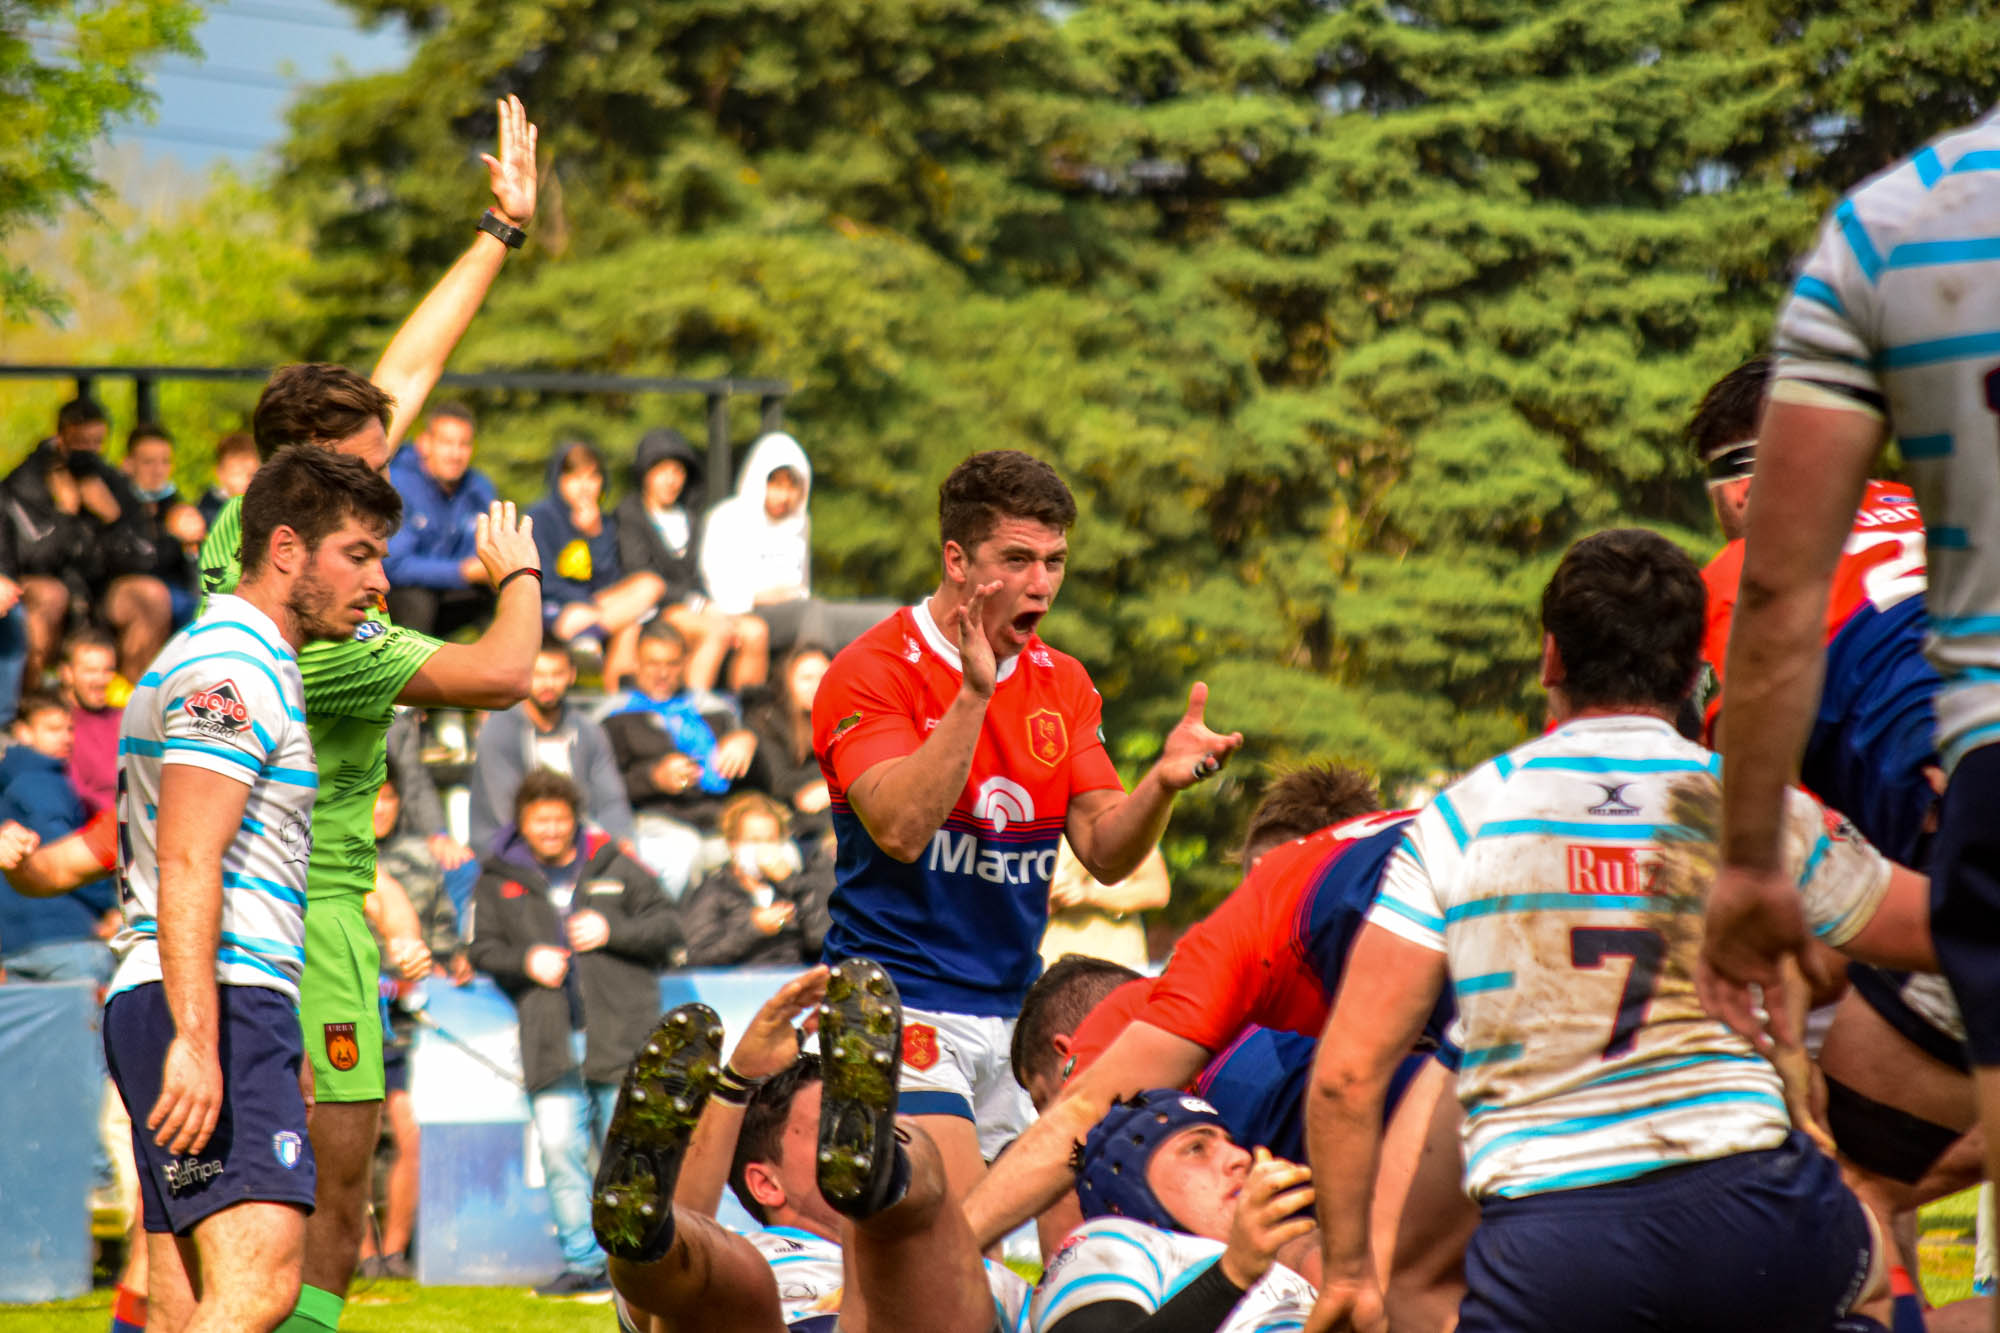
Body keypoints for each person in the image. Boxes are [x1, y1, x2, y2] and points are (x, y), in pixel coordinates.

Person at [1302, 528, 1944, 1333]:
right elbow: (1935, 929)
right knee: (1868, 1269)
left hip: (1555, 1245)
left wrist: (1352, 1268)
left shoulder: (1461, 821)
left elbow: (1345, 1077)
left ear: (1550, 659)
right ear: (1689, 672)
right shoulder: (1753, 807)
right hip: (1752, 1210)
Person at [194, 95, 545, 1333]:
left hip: (243, 908)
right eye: (366, 465)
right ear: (312, 475)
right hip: (309, 914)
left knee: (206, 1214)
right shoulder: (322, 628)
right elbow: (506, 675)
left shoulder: (256, 537)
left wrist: (497, 235)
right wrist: (520, 573)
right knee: (321, 1202)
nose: (386, 484)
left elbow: (399, 377)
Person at [1697, 108, 2000, 1223]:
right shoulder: (1924, 504)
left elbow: (1697, 777)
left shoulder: (1734, 571)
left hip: (1963, 786)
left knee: (1849, 1164)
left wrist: (1751, 880)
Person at [813, 449, 1242, 1198]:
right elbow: (901, 830)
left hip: (1015, 1008)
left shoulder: (1063, 680)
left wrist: (1162, 785)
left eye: (1054, 561)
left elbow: (1107, 850)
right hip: (895, 995)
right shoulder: (871, 667)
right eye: (1016, 559)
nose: (1040, 583)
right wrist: (974, 695)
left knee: (1074, 1231)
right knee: (939, 1217)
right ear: (956, 558)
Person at [101, 445, 402, 1333]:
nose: (379, 579)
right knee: (263, 1284)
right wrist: (201, 1037)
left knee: (184, 1298)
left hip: (220, 996)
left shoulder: (241, 658)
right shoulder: (234, 667)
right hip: (207, 1001)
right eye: (358, 553)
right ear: (285, 548)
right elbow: (190, 859)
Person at [594, 962, 1031, 1333]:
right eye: (838, 1126)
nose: (851, 1137)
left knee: (898, 1246)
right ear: (766, 1184)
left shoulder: (945, 1263)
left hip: (884, 1312)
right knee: (709, 1271)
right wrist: (737, 1080)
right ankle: (647, 1238)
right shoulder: (745, 1252)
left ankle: (886, 1181)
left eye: (864, 1126)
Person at [463, 769, 680, 1299]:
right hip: (550, 1039)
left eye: (560, 819)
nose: (552, 829)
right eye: (541, 821)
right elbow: (480, 950)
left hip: (621, 1033)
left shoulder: (618, 865)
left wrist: (613, 932)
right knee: (560, 1151)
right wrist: (526, 960)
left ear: (574, 819)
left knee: (626, 1155)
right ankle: (584, 1265)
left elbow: (670, 930)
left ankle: (635, 1266)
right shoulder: (496, 879)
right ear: (522, 823)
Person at [1032, 1089, 1319, 1333]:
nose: (1241, 1157)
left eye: (1229, 1142)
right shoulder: (1108, 1242)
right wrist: (1233, 1273)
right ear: (1127, 1195)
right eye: (1196, 1148)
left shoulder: (1287, 1263)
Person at [5, 397, 174, 682]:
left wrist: (111, 519)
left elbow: (143, 557)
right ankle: (34, 703)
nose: (89, 451)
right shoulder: (26, 483)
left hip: (99, 591)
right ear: (62, 436)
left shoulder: (110, 480)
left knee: (151, 595)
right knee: (51, 596)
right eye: (81, 441)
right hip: (47, 586)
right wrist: (65, 515)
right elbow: (33, 558)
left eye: (97, 442)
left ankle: (132, 705)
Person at [699, 431, 893, 654]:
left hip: (801, 608)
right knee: (813, 614)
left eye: (792, 487)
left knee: (888, 615)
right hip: (747, 614)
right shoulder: (727, 517)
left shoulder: (799, 523)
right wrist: (762, 596)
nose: (784, 496)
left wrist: (792, 595)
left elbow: (801, 586)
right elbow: (717, 585)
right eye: (777, 485)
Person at [603, 621, 758, 888]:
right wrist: (653, 778)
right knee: (686, 851)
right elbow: (602, 787)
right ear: (637, 663)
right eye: (652, 663)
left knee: (770, 852)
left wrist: (747, 740)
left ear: (686, 663)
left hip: (718, 819)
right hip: (650, 820)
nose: (662, 673)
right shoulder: (616, 715)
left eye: (672, 664)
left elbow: (753, 780)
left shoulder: (714, 710)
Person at [614, 427, 769, 692]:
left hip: (703, 606)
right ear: (646, 474)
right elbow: (640, 574)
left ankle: (747, 711)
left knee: (755, 631)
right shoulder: (630, 515)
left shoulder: (693, 518)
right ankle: (695, 710)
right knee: (716, 631)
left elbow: (708, 572)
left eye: (678, 472)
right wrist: (699, 605)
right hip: (656, 609)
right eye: (662, 471)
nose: (671, 480)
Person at [468, 639, 635, 853]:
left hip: (579, 841)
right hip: (509, 847)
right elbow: (508, 812)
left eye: (557, 674)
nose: (548, 684)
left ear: (571, 675)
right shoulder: (498, 730)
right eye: (538, 675)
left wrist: (622, 839)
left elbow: (611, 799)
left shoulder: (587, 730)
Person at [530, 437, 666, 686]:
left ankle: (590, 639)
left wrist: (595, 535)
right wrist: (578, 603)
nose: (584, 487)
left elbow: (610, 580)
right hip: (553, 609)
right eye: (574, 478)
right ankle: (589, 644)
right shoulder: (540, 517)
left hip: (592, 611)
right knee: (628, 623)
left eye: (592, 477)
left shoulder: (605, 523)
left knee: (650, 586)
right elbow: (541, 579)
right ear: (558, 480)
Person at [0, 689, 113, 985]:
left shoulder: (8, 781)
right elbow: (61, 850)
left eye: (69, 729)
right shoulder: (40, 779)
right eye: (52, 729)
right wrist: (112, 905)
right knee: (89, 1029)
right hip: (67, 938)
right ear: (23, 732)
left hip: (13, 942)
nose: (66, 738)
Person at [384, 403, 501, 639]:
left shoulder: (479, 487)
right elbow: (395, 566)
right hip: (397, 596)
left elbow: (484, 552)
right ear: (424, 444)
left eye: (464, 444)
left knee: (510, 593)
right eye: (447, 443)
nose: (455, 454)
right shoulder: (396, 483)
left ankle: (503, 671)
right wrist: (463, 572)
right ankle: (413, 672)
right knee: (415, 600)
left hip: (451, 592)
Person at [683, 792, 830, 969]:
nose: (763, 849)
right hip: (735, 986)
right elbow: (699, 956)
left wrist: (791, 882)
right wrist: (754, 928)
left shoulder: (796, 887)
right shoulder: (715, 890)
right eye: (754, 840)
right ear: (733, 843)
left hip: (790, 980)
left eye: (771, 840)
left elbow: (821, 939)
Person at [741, 643, 832, 840]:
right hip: (785, 817)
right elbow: (781, 782)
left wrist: (834, 787)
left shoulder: (846, 718)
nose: (817, 686)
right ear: (787, 680)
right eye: (806, 679)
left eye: (824, 677)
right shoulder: (766, 719)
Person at [121, 424, 207, 628]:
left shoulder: (178, 506)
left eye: (165, 462)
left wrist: (191, 545)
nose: (158, 470)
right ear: (128, 464)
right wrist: (168, 535)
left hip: (178, 591)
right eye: (148, 462)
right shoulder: (116, 505)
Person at [1039, 837, 1170, 971]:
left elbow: (1158, 891)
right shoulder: (1030, 828)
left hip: (1119, 964)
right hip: (1052, 969)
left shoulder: (1125, 824)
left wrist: (1089, 894)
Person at [61, 626, 122, 816]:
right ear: (67, 674)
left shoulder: (124, 718)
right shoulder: (58, 724)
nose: (101, 680)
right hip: (84, 828)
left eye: (108, 670)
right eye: (90, 671)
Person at [197, 433, 259, 528]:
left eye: (253, 473)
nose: (248, 480)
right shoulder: (207, 514)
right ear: (220, 474)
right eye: (237, 473)